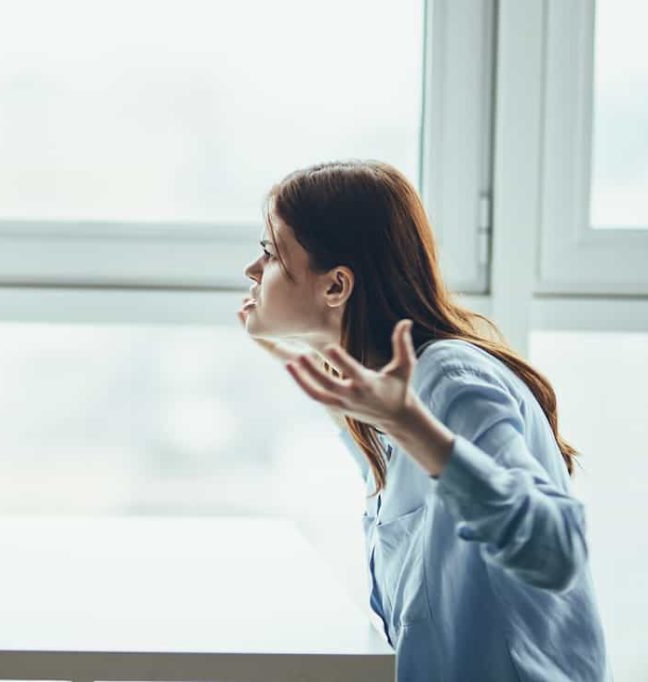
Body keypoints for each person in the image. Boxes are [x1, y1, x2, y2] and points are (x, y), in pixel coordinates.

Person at [238, 161, 608, 681]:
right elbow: (392, 475)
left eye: (271, 253)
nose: (252, 271)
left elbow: (555, 551)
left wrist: (414, 428)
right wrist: (300, 350)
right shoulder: (396, 394)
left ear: (336, 286)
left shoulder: (450, 379)